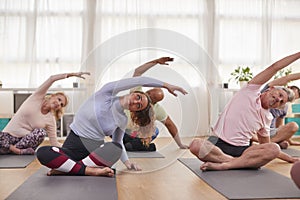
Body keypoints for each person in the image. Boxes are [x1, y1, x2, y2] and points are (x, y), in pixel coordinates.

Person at [36, 76, 188, 177]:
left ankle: (70, 169)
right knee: (43, 152)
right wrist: (166, 85)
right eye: (138, 97)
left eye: (139, 106)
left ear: (135, 111)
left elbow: (119, 143)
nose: (135, 102)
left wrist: (128, 163)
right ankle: (86, 170)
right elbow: (139, 79)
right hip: (72, 146)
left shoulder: (121, 119)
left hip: (94, 154)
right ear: (135, 92)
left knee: (114, 147)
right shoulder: (106, 93)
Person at [189, 52, 300, 171]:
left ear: (279, 107)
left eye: (281, 101)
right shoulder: (250, 90)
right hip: (218, 144)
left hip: (243, 150)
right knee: (196, 145)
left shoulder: (267, 117)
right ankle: (234, 162)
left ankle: (226, 164)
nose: (278, 99)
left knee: (274, 148)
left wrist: (289, 158)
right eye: (279, 95)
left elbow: (265, 145)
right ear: (271, 89)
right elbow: (275, 67)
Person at [0, 72, 90, 155]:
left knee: (41, 132)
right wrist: (72, 74)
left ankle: (13, 149)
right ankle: (13, 150)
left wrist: (74, 148)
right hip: (7, 137)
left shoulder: (50, 120)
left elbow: (54, 142)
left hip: (22, 143)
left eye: (61, 104)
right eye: (58, 99)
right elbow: (51, 79)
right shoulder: (37, 97)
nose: (58, 104)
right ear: (52, 96)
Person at [123, 57, 189, 151]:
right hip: (122, 131)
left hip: (136, 135)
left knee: (155, 131)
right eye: (149, 92)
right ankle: (136, 146)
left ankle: (129, 146)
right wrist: (156, 61)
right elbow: (138, 72)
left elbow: (170, 125)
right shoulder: (137, 93)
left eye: (152, 98)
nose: (147, 96)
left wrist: (180, 144)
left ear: (155, 102)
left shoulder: (157, 109)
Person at [252, 75, 300, 149]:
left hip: (270, 131)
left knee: (293, 126)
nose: (279, 100)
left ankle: (268, 143)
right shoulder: (268, 93)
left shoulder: (283, 106)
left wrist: (285, 137)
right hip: (256, 129)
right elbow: (285, 77)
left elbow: (280, 125)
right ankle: (269, 143)